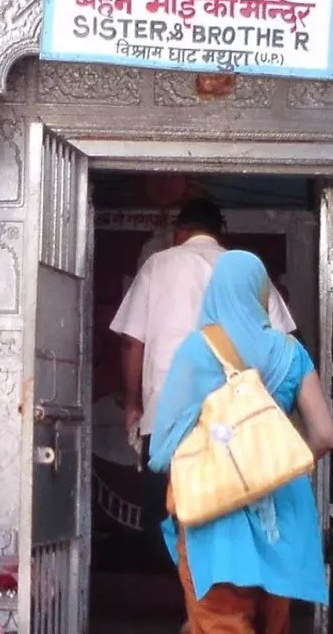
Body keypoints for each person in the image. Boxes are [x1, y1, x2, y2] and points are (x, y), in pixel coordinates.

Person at [148, 251, 333, 634]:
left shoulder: (196, 351)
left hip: (216, 519)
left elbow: (162, 450)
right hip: (282, 517)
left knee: (219, 624)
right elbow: (324, 436)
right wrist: (273, 463)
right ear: (261, 293)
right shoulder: (291, 351)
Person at [109, 198, 296, 561]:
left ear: (179, 231)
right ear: (220, 232)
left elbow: (133, 341)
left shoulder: (158, 265)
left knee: (166, 513)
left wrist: (133, 404)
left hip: (167, 417)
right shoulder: (247, 272)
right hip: (236, 418)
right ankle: (213, 602)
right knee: (227, 514)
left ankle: (188, 600)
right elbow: (284, 342)